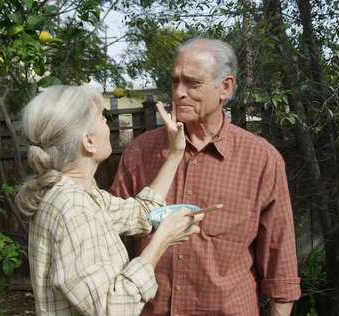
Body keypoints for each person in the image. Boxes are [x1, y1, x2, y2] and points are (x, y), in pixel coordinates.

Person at [110, 38, 301, 315]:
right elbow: (108, 233)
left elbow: (279, 259)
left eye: (192, 83)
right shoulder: (142, 152)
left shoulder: (262, 160)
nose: (179, 92)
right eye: (175, 82)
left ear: (225, 87)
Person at [15, 85, 205, 316]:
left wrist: (175, 153)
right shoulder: (73, 208)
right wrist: (162, 241)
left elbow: (141, 213)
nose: (108, 123)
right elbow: (111, 309)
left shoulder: (78, 194)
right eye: (101, 118)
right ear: (89, 142)